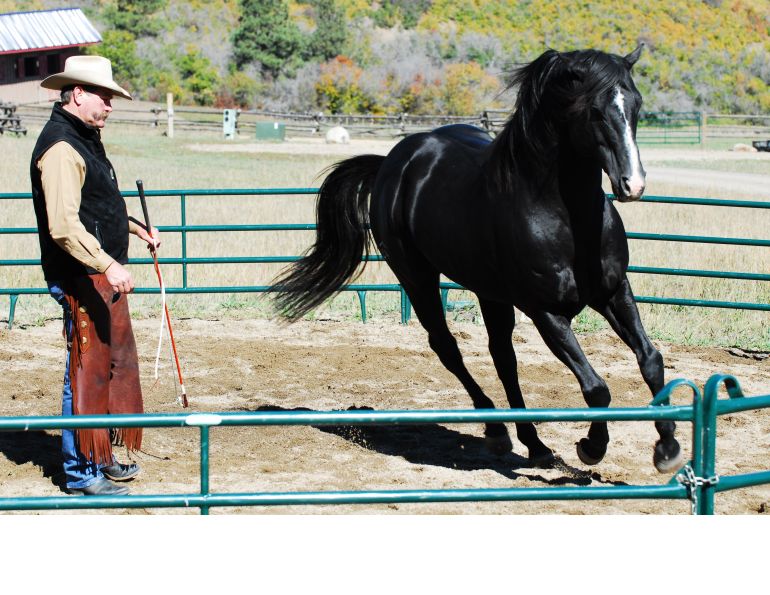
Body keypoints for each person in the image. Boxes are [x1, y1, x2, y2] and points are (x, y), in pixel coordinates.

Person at [30, 55, 160, 496]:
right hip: (79, 277)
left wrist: (135, 228)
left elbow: (98, 206)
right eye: (103, 96)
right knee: (85, 373)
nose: (109, 105)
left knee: (103, 368)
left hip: (96, 275)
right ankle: (80, 473)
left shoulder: (86, 138)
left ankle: (97, 459)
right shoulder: (61, 148)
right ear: (78, 93)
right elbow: (64, 226)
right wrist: (108, 263)